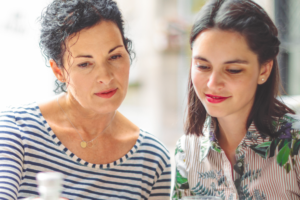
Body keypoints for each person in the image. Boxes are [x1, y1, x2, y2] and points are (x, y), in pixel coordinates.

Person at [0, 0, 171, 199]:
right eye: (85, 64)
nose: (106, 77)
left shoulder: (152, 158)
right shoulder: (15, 131)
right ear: (59, 71)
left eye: (114, 56)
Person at [172, 0, 300, 199]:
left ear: (264, 69)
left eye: (233, 70)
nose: (213, 83)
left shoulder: (296, 145)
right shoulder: (187, 150)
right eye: (203, 66)